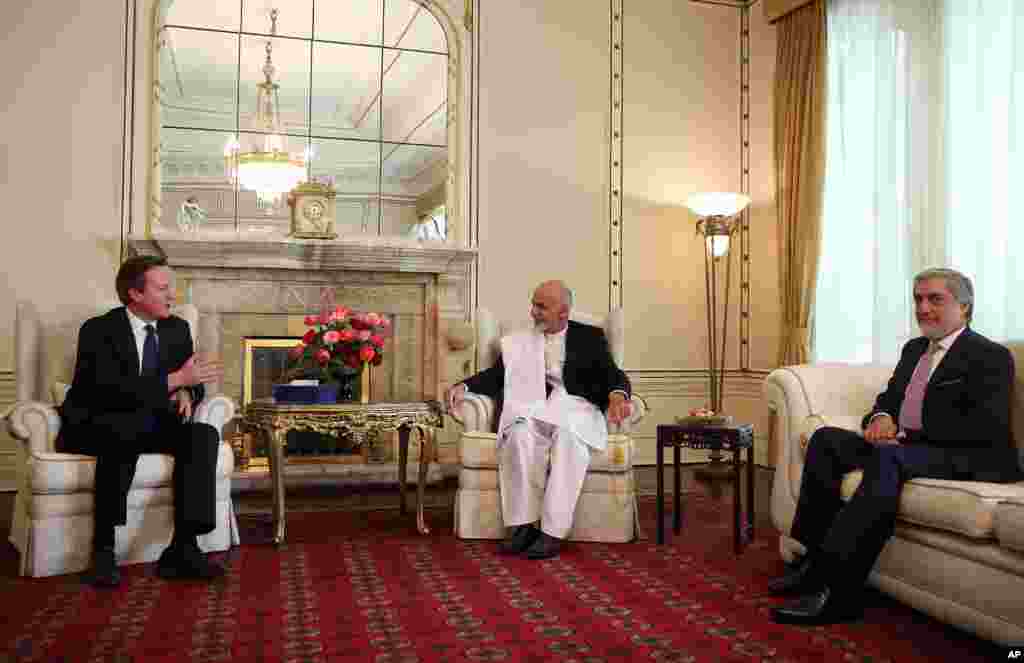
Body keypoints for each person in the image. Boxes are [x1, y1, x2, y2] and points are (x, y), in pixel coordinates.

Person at [769, 268, 1023, 625]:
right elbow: (888, 399)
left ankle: (840, 591)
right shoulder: (915, 349)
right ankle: (811, 563)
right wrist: (880, 419)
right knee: (827, 441)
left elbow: (985, 426)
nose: (923, 307)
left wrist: (904, 434)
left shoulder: (989, 356)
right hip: (910, 446)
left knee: (888, 459)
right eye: (918, 298)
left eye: (935, 299)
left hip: (974, 455)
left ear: (964, 307)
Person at [57, 255, 225, 587]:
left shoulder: (177, 328)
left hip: (150, 421)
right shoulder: (99, 330)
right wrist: (174, 381)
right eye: (163, 288)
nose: (171, 296)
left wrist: (189, 393)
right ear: (135, 294)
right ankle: (103, 550)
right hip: (97, 421)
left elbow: (191, 380)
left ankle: (184, 547)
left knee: (202, 435)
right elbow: (109, 391)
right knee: (121, 431)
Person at [445, 280, 633, 559]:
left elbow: (613, 374)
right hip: (533, 408)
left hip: (576, 408)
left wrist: (618, 395)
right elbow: (497, 376)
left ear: (563, 311)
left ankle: (551, 532)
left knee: (570, 442)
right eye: (534, 304)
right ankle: (522, 527)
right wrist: (464, 386)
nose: (533, 312)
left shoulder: (590, 337)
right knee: (518, 437)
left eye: (541, 307)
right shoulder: (520, 341)